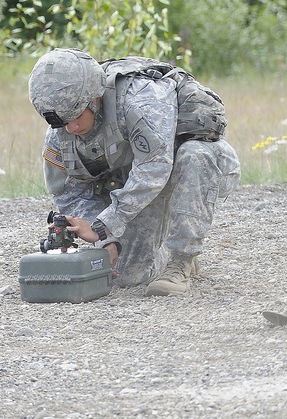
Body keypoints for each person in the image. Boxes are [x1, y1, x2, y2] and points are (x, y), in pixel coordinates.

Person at [27, 48, 241, 297]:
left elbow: (154, 168)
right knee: (129, 274)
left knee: (194, 155)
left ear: (93, 97)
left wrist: (104, 225)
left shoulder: (141, 98)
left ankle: (181, 259)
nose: (71, 127)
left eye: (75, 116)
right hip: (136, 184)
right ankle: (159, 254)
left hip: (197, 167)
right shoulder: (60, 131)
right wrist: (105, 242)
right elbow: (69, 193)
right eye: (62, 121)